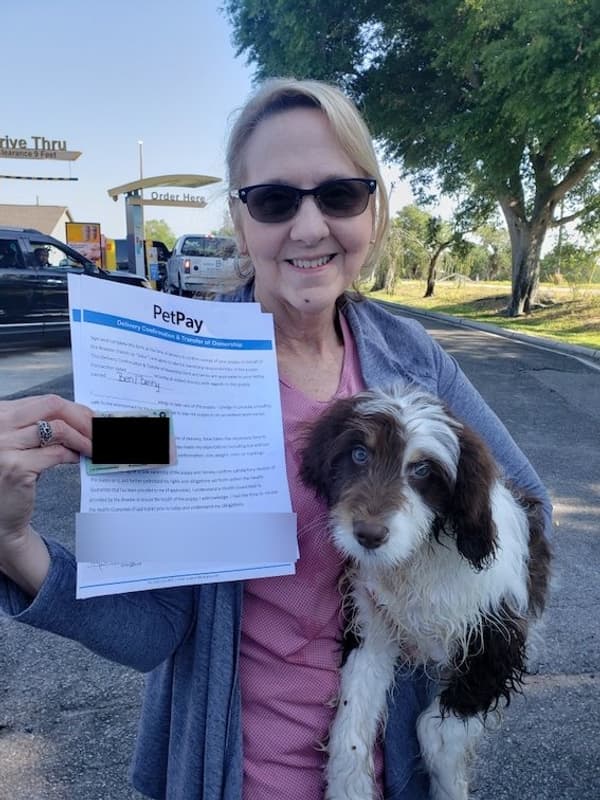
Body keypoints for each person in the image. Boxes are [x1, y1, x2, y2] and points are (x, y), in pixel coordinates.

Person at [0, 78, 552, 800]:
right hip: (237, 775)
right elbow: (154, 630)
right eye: (275, 201)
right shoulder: (174, 372)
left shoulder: (411, 358)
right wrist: (15, 545)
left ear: (373, 209)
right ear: (240, 216)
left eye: (339, 195)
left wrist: (430, 621)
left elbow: (525, 508)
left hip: (398, 776)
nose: (309, 226)